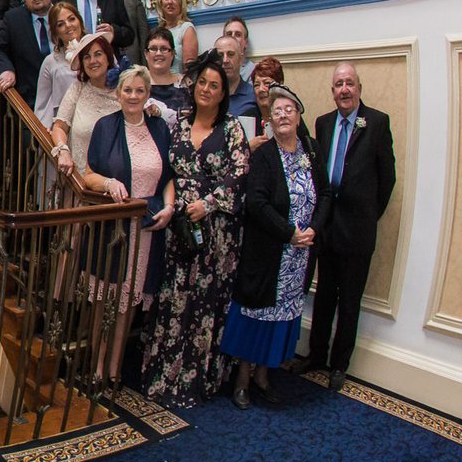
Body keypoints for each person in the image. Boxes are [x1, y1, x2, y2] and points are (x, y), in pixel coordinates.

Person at [142, 51, 250, 407]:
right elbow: (166, 171)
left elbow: (239, 176)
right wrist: (173, 206)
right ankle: (164, 373)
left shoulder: (232, 128)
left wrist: (209, 203)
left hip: (216, 233)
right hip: (179, 228)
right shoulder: (180, 122)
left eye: (214, 85)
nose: (206, 88)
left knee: (204, 303)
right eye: (202, 82)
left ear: (223, 93)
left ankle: (198, 378)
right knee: (174, 298)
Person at [225, 85, 326, 408]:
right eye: (276, 111)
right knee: (256, 315)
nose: (282, 115)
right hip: (269, 253)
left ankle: (264, 376)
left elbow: (325, 194)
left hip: (299, 257)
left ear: (298, 117)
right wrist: (289, 233)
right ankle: (242, 380)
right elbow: (256, 202)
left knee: (284, 317)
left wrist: (312, 229)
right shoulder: (265, 155)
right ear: (269, 120)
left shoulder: (311, 152)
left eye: (289, 110)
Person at [305, 62, 397, 390]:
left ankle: (339, 365)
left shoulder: (376, 122)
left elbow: (388, 179)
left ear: (359, 88)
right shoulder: (323, 123)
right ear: (332, 91)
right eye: (338, 84)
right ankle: (316, 356)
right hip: (327, 227)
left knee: (349, 300)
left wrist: (369, 215)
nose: (344, 89)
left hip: (358, 231)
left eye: (350, 83)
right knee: (324, 295)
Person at [80, 66, 176, 379]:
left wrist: (171, 207)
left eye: (139, 91)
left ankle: (114, 371)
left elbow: (168, 178)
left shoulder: (160, 129)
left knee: (127, 305)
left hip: (148, 230)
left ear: (147, 94)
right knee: (104, 302)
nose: (133, 96)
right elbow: (88, 174)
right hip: (114, 229)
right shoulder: (105, 127)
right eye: (127, 90)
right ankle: (96, 367)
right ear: (118, 93)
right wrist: (108, 183)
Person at [51, 32, 120, 178]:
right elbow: (59, 127)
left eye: (98, 54)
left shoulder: (123, 90)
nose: (92, 61)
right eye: (87, 57)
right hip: (80, 181)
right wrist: (63, 151)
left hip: (118, 180)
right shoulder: (77, 89)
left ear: (108, 58)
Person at [0, 0, 55, 109]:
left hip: (64, 96)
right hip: (29, 101)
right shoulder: (13, 19)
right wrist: (6, 69)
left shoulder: (65, 15)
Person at [35, 1, 85, 127]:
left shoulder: (98, 50)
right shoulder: (50, 61)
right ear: (55, 31)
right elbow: (42, 104)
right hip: (65, 127)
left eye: (72, 19)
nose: (68, 26)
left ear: (79, 21)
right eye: (60, 24)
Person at [144, 27, 190, 124]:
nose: (158, 53)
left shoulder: (185, 83)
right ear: (146, 54)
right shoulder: (136, 84)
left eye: (164, 49)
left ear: (173, 54)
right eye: (153, 49)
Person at [155, 0, 198, 72]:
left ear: (181, 3)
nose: (170, 2)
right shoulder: (157, 31)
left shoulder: (186, 29)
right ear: (160, 3)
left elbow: (189, 69)